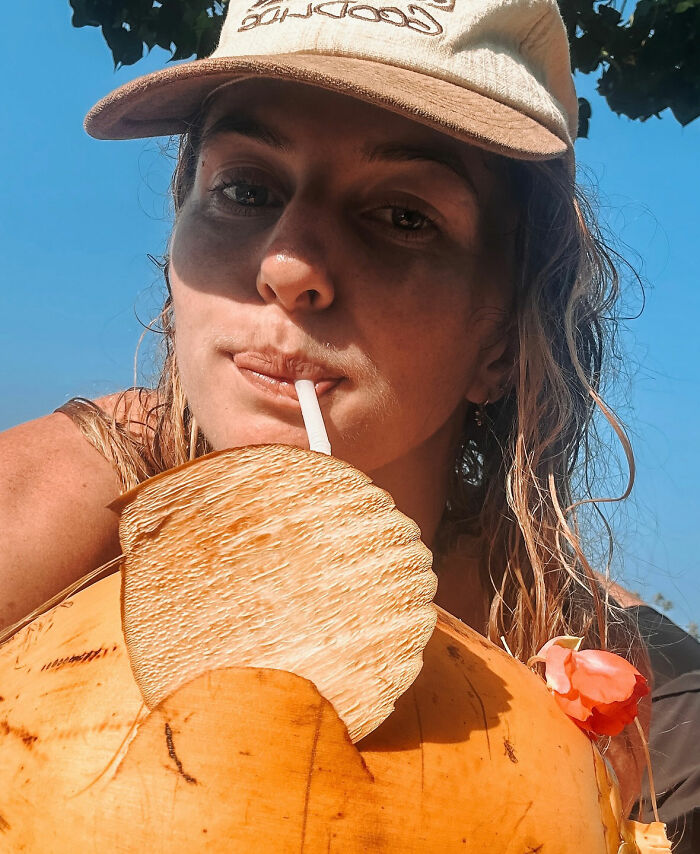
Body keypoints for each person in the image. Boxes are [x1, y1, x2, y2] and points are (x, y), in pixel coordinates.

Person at [0, 0, 652, 815]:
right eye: (244, 187)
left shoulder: (627, 701)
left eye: (403, 216)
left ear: (504, 335)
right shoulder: (71, 497)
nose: (287, 264)